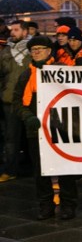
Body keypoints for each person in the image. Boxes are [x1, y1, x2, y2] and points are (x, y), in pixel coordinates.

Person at [14, 36, 79, 219]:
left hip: (60, 127)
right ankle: (46, 205)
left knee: (65, 168)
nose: (36, 52)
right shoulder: (26, 75)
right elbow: (17, 101)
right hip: (36, 130)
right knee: (40, 170)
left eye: (40, 49)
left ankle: (68, 205)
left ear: (49, 51)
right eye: (33, 50)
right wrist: (27, 117)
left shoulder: (61, 70)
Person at [0, 20, 31, 183]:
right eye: (12, 30)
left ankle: (32, 168)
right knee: (11, 137)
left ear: (25, 32)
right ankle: (11, 170)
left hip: (30, 101)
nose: (12, 33)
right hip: (10, 100)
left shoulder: (34, 50)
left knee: (31, 137)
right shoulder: (5, 52)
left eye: (17, 30)